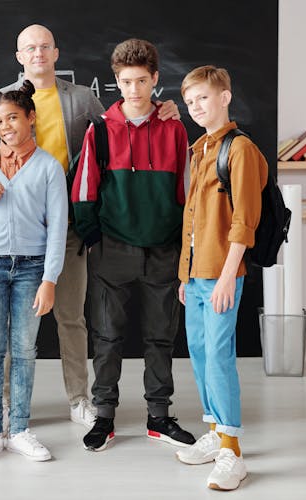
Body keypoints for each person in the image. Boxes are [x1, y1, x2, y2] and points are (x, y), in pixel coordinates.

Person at [0, 24, 180, 429]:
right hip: (17, 227)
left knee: (72, 316)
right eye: (29, 48)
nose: (37, 53)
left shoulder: (81, 97)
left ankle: (78, 399)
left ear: (56, 53)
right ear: (19, 56)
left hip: (67, 225)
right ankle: (2, 401)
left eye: (44, 47)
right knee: (7, 326)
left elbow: (114, 128)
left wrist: (166, 107)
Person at [72, 39, 194, 452]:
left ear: (155, 79)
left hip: (163, 249)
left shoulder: (174, 128)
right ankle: (103, 417)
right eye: (126, 81)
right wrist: (93, 239)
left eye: (142, 80)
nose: (134, 89)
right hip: (113, 250)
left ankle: (159, 416)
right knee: (107, 338)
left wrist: (181, 245)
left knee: (161, 337)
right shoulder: (100, 130)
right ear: (116, 81)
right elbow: (84, 190)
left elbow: (185, 192)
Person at [0, 81, 68, 463]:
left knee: (24, 349)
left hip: (32, 268)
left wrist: (49, 280)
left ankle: (19, 428)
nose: (5, 127)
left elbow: (58, 229)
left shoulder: (49, 168)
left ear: (31, 118)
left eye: (13, 118)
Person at [175, 65, 267, 491]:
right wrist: (184, 275)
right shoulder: (199, 149)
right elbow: (192, 220)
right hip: (196, 275)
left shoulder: (240, 149)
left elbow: (244, 221)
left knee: (219, 356)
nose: (196, 107)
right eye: (190, 102)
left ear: (225, 97)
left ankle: (232, 451)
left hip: (222, 273)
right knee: (199, 353)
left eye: (204, 99)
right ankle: (213, 432)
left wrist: (229, 276)